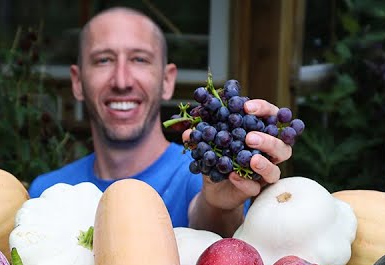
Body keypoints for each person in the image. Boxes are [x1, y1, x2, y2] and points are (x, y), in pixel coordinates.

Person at [27, 7, 294, 237]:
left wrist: (220, 208)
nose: (122, 81)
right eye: (104, 60)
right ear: (77, 82)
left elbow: (215, 233)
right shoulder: (47, 193)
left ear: (167, 81)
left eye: (139, 59)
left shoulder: (197, 177)